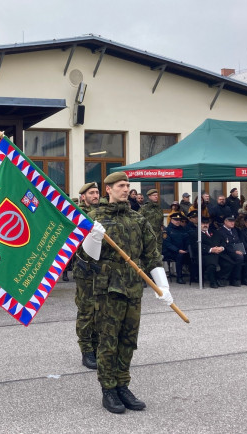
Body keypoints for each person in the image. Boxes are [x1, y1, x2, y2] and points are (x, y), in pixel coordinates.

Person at [80, 172, 172, 413]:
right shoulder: (94, 217)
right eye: (121, 185)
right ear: (107, 189)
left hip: (133, 287)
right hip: (108, 288)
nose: (126, 189)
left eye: (128, 185)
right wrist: (94, 238)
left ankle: (123, 385)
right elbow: (83, 257)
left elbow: (151, 254)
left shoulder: (137, 219)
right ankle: (108, 389)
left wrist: (163, 286)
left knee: (128, 340)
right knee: (108, 341)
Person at [72, 182, 102, 369]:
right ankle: (86, 350)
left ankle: (98, 346)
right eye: (91, 193)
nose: (95, 195)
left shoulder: (102, 213)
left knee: (100, 310)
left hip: (102, 270)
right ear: (83, 196)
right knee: (86, 310)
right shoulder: (77, 215)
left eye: (97, 192)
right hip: (85, 270)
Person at [190, 216, 223, 288]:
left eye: (207, 223)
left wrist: (221, 248)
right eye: (203, 223)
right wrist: (211, 250)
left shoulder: (214, 232)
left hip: (217, 253)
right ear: (199, 224)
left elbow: (222, 241)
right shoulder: (195, 234)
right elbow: (196, 247)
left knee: (229, 261)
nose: (205, 225)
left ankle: (221, 279)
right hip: (203, 254)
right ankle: (213, 281)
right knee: (211, 263)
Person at [212, 215, 244, 287]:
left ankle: (241, 278)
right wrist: (235, 251)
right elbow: (224, 244)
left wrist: (241, 250)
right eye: (230, 221)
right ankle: (235, 279)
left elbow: (238, 241)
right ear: (225, 222)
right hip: (224, 252)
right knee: (239, 258)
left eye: (233, 221)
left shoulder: (234, 230)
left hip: (234, 251)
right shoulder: (220, 231)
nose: (232, 223)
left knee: (246, 256)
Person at [163, 212, 189, 284]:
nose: (178, 222)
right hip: (170, 252)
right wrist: (177, 250)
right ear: (171, 220)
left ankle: (194, 275)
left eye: (179, 220)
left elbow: (186, 240)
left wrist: (187, 249)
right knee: (179, 256)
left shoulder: (182, 229)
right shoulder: (167, 230)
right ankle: (179, 277)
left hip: (182, 250)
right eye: (176, 220)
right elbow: (167, 244)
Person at [139, 188, 163, 253]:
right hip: (148, 236)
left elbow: (161, 221)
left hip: (158, 236)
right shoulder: (144, 208)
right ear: (149, 196)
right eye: (154, 195)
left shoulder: (159, 208)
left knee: (158, 255)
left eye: (157, 195)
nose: (156, 197)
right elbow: (139, 221)